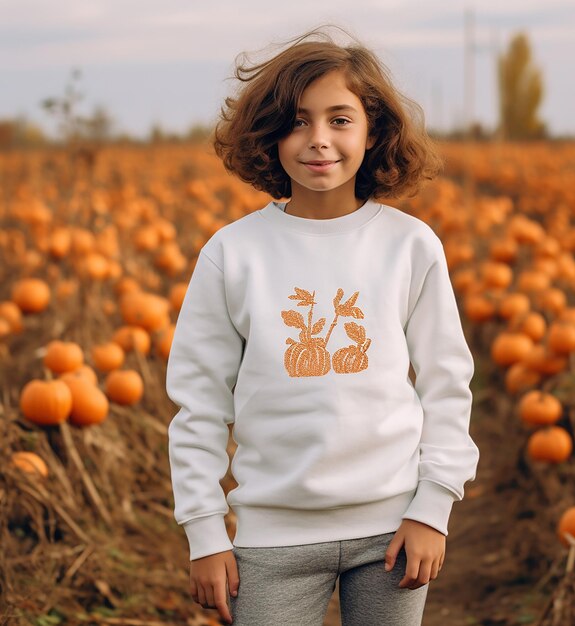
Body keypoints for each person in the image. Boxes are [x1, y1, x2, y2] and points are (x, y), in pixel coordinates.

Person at [166, 25, 480, 626]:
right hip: (271, 537)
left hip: (393, 530)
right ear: (269, 133)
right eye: (297, 121)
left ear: (373, 131)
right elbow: (199, 403)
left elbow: (446, 383)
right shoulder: (234, 253)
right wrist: (205, 531)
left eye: (340, 120)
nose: (319, 141)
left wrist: (432, 507)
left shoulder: (410, 246)